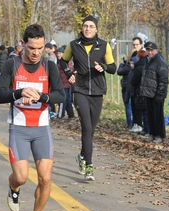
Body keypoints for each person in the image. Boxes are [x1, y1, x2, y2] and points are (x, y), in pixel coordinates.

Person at [0, 24, 65, 211]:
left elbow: (61, 95)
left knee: (45, 179)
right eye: (32, 48)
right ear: (23, 44)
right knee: (22, 177)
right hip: (19, 128)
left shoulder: (49, 66)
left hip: (42, 129)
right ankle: (13, 188)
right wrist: (18, 93)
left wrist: (43, 97)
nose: (36, 53)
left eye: (40, 48)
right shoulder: (12, 64)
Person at [62, 15, 116, 181]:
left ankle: (82, 156)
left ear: (96, 29)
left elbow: (113, 68)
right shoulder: (74, 45)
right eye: (85, 26)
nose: (88, 29)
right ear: (82, 28)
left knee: (90, 130)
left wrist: (104, 67)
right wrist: (69, 74)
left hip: (97, 92)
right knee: (86, 126)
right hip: (79, 90)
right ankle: (90, 166)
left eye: (91, 26)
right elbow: (63, 61)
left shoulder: (104, 45)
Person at [139, 41, 169, 144]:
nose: (150, 52)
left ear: (156, 50)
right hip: (149, 93)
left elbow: (163, 80)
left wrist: (160, 94)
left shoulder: (160, 62)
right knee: (150, 115)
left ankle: (160, 135)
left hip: (157, 93)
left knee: (158, 116)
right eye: (148, 50)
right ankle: (152, 133)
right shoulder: (149, 61)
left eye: (151, 50)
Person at [56, 47, 74, 119]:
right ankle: (71, 114)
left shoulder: (64, 62)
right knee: (68, 100)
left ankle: (61, 115)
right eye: (57, 53)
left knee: (62, 100)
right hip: (67, 84)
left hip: (64, 84)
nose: (58, 55)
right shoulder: (66, 62)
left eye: (60, 53)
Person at [117, 54, 133, 129]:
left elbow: (119, 71)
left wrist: (122, 64)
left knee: (128, 106)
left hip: (126, 87)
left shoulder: (128, 65)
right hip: (131, 87)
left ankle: (129, 123)